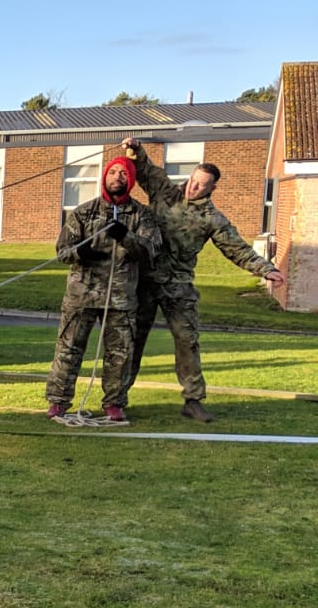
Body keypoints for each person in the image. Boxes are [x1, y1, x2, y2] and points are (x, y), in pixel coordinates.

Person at [118, 137, 287, 422]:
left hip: (178, 286)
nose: (193, 187)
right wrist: (135, 149)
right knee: (131, 339)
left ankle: (193, 400)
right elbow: (145, 169)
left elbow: (237, 248)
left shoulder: (212, 218)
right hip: (144, 281)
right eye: (193, 180)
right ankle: (117, 398)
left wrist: (264, 268)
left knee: (187, 340)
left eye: (201, 185)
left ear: (212, 188)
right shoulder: (165, 192)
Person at [45, 154, 163, 422]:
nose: (117, 178)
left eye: (123, 173)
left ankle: (114, 403)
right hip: (82, 294)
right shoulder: (84, 212)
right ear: (104, 176)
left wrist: (126, 237)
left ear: (130, 180)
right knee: (68, 349)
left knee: (120, 354)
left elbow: (151, 250)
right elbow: (62, 251)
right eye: (112, 172)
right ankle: (58, 401)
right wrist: (81, 252)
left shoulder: (142, 215)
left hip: (120, 297)